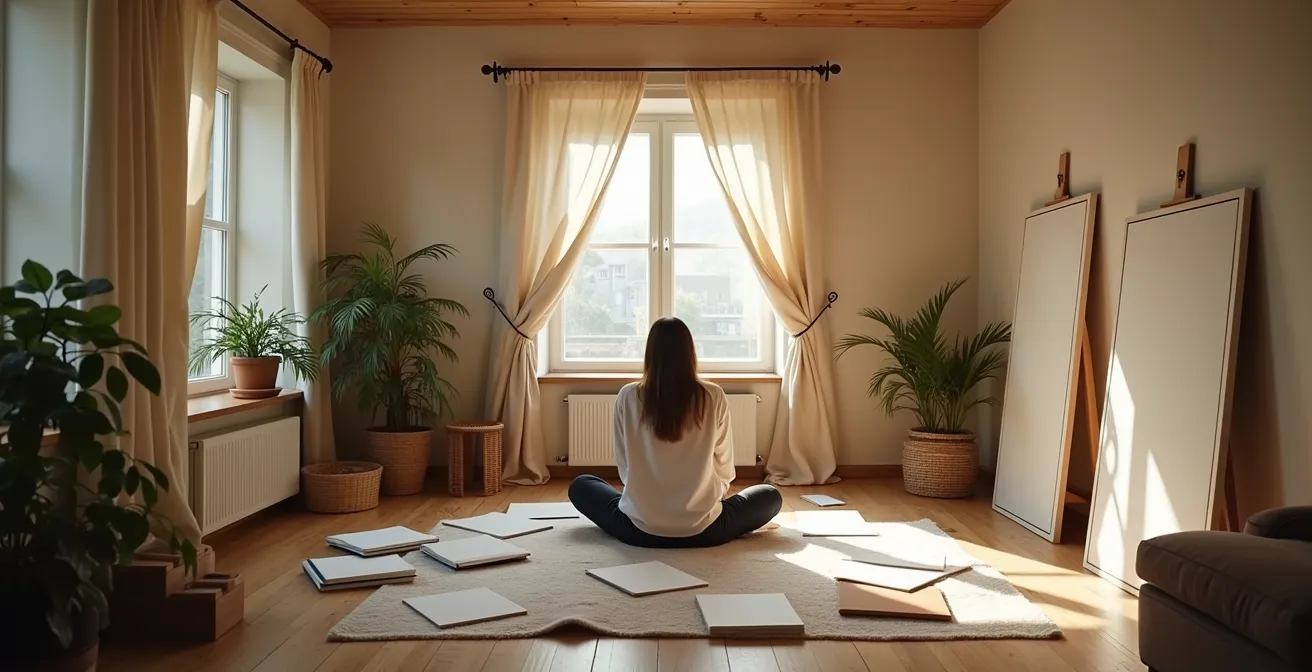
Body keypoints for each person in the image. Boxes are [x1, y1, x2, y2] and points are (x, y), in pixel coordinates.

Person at [568, 317, 782, 548]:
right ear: (690, 352)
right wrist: (710, 498)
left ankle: (645, 513)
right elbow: (724, 466)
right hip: (706, 531)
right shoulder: (712, 395)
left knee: (581, 485)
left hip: (638, 531)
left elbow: (625, 466)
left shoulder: (628, 396)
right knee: (770, 495)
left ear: (650, 354)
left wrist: (643, 498)